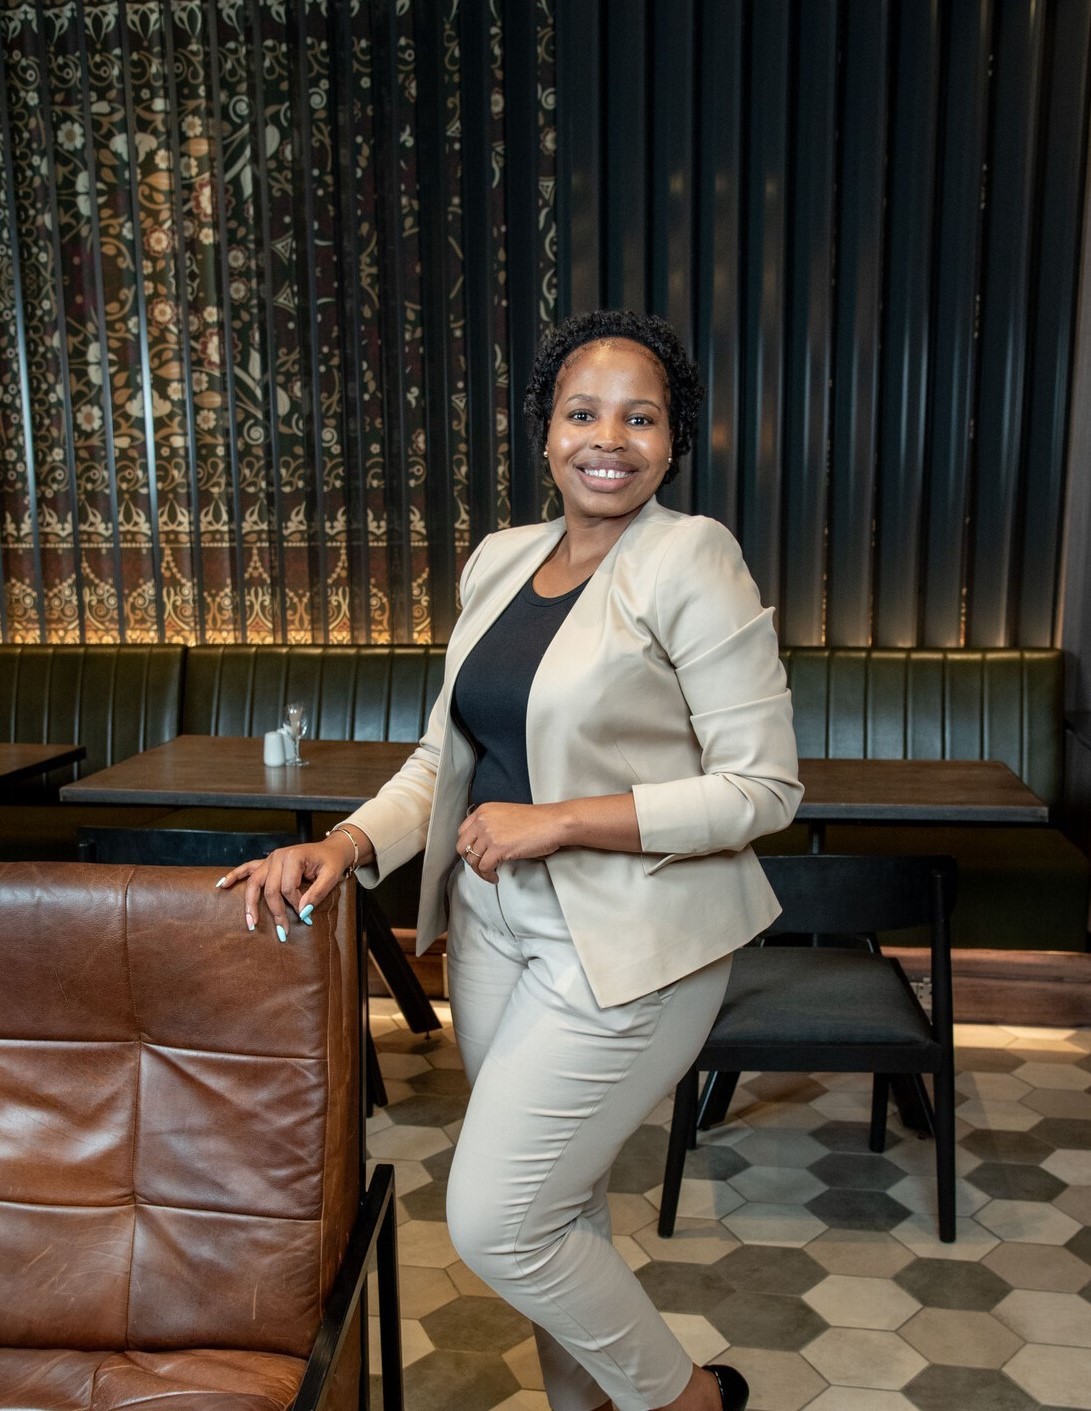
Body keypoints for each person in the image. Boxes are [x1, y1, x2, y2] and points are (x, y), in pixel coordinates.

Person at [218, 309, 802, 1411]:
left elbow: (760, 788)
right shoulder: (499, 559)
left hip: (629, 942)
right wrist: (345, 842)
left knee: (496, 1219)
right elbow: (444, 759)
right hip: (492, 930)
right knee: (556, 1207)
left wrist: (561, 818)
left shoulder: (691, 556)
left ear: (674, 439)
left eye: (640, 417)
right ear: (545, 430)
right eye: (582, 412)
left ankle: (685, 1400)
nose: (607, 438)